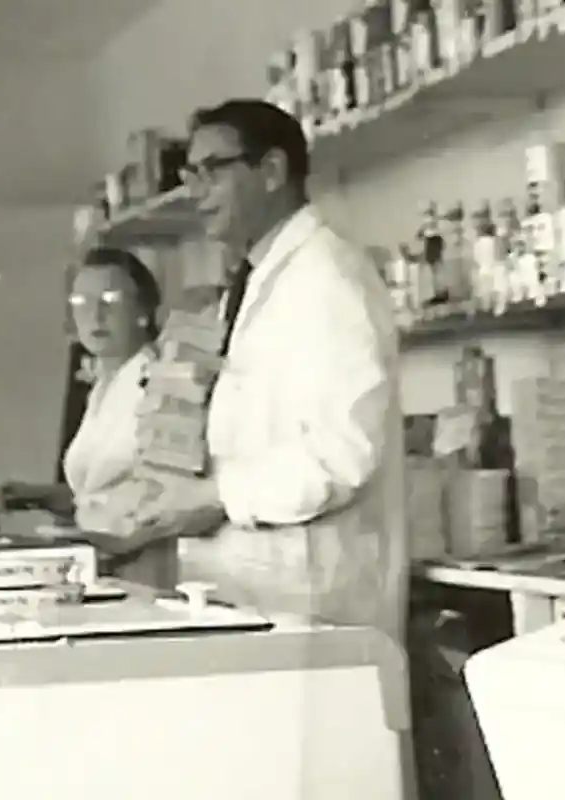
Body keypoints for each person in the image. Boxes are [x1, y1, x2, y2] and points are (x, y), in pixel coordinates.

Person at [128, 98, 407, 639]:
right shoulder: (260, 277)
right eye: (190, 175)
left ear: (273, 170)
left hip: (314, 600)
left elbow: (342, 452)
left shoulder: (328, 278)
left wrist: (216, 498)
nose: (196, 191)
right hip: (256, 588)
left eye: (213, 170)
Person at [0, 247, 177, 588]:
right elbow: (99, 490)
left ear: (143, 310)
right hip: (102, 562)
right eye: (82, 302)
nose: (95, 314)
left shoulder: (159, 379)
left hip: (143, 564)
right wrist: (37, 495)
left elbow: (165, 495)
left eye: (110, 299)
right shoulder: (101, 387)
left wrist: (109, 539)